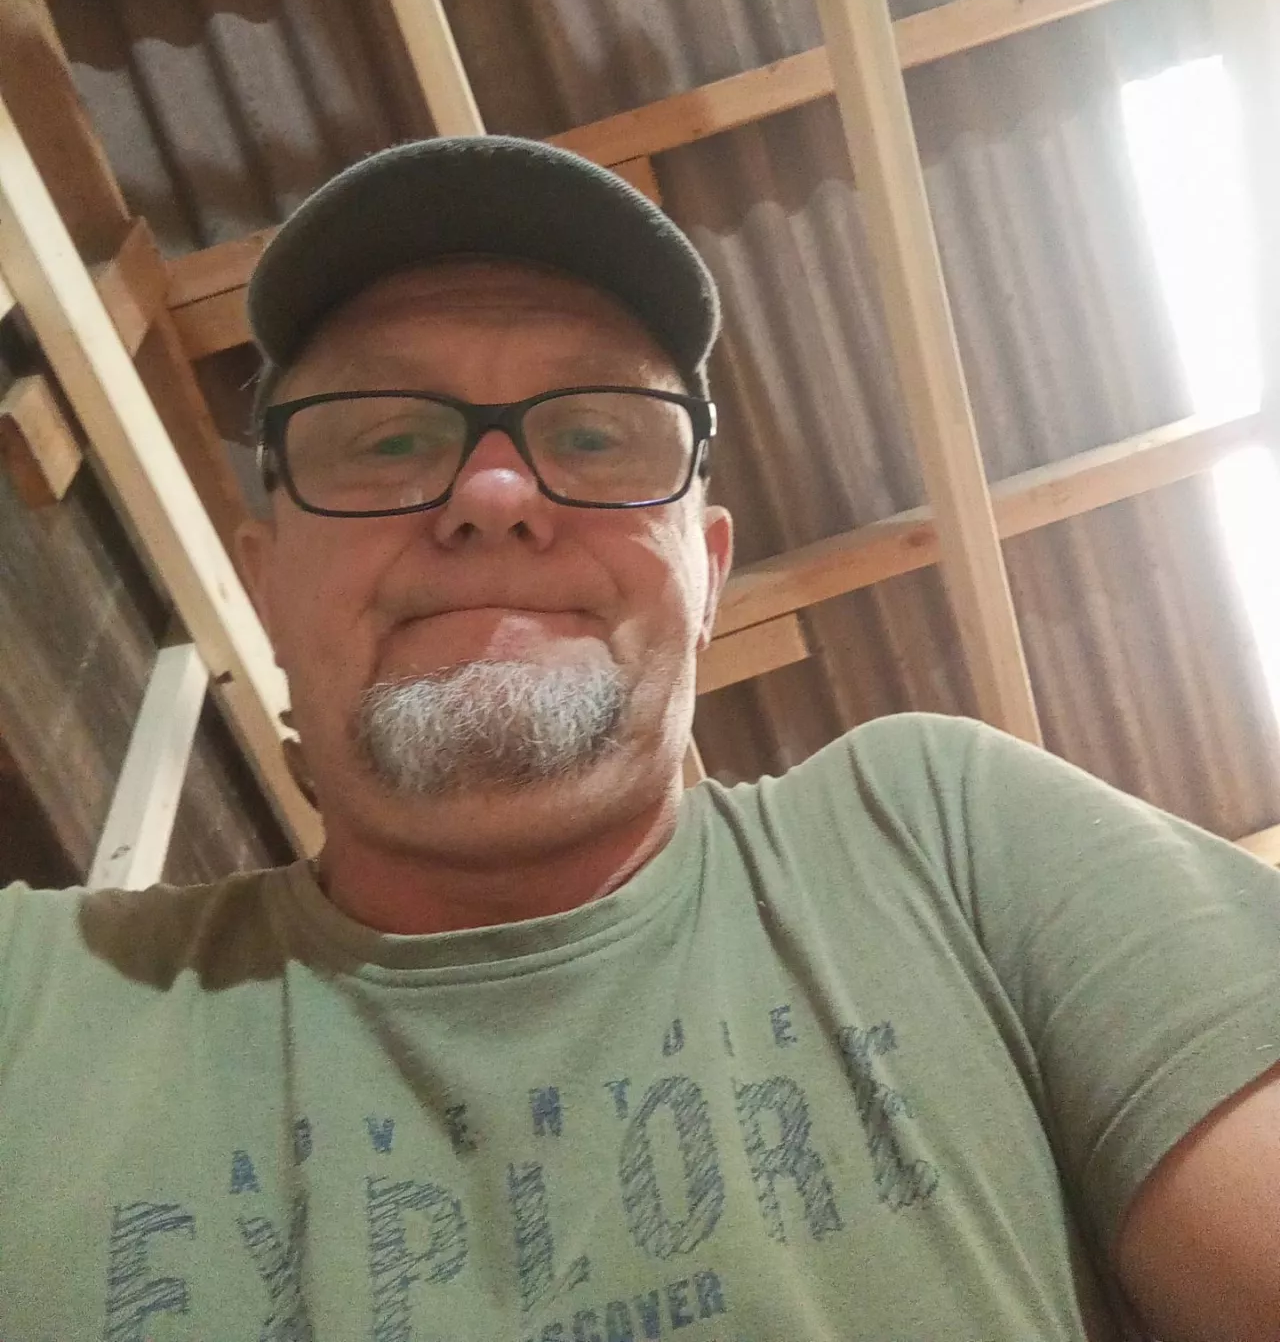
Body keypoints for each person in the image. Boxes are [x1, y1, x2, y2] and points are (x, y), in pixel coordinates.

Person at [1, 136, 1278, 1342]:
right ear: (265, 583)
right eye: (387, 440)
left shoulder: (941, 836)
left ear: (705, 574)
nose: (492, 494)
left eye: (592, 435)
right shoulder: (33, 1001)